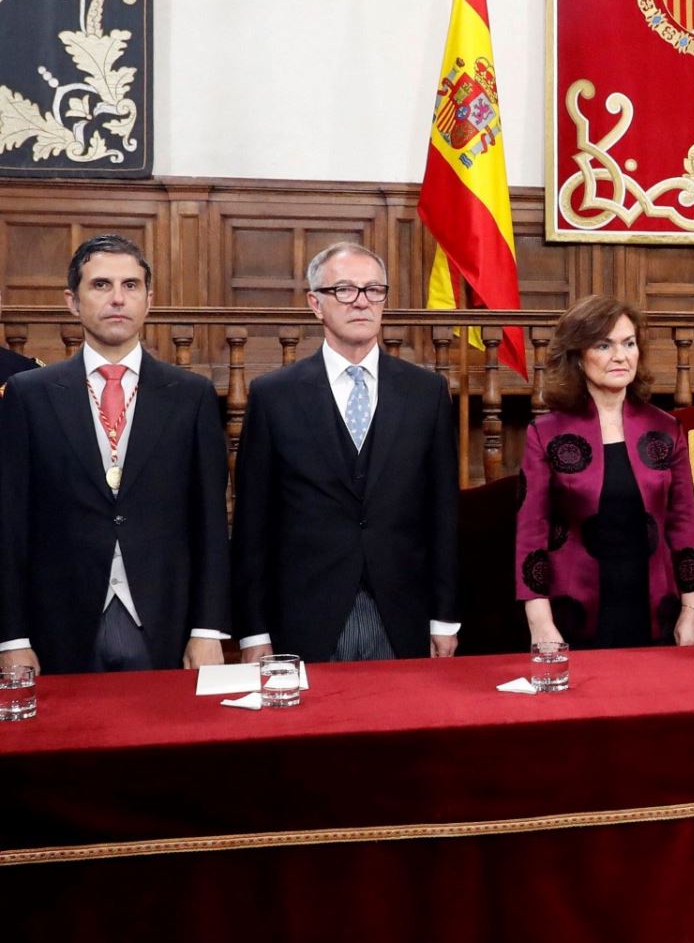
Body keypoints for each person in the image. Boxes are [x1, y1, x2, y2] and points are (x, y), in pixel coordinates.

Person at [0, 234, 230, 674]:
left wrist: (208, 630)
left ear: (149, 299)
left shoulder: (190, 395)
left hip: (166, 620)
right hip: (58, 623)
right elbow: (10, 523)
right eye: (101, 285)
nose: (117, 299)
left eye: (131, 286)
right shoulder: (29, 395)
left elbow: (210, 523)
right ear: (73, 301)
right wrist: (12, 637)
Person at [233, 242, 459, 664]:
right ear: (315, 304)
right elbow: (252, 524)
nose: (362, 301)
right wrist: (253, 632)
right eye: (345, 290)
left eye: (374, 289)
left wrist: (444, 618)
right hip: (304, 614)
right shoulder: (273, 396)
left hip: (402, 610)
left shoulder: (425, 393)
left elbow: (442, 512)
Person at [516, 296, 694, 648]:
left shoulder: (666, 429)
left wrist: (693, 610)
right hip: (573, 614)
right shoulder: (546, 433)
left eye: (629, 344)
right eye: (604, 345)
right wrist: (540, 622)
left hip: (654, 611)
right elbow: (531, 535)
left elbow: (685, 527)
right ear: (577, 355)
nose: (621, 356)